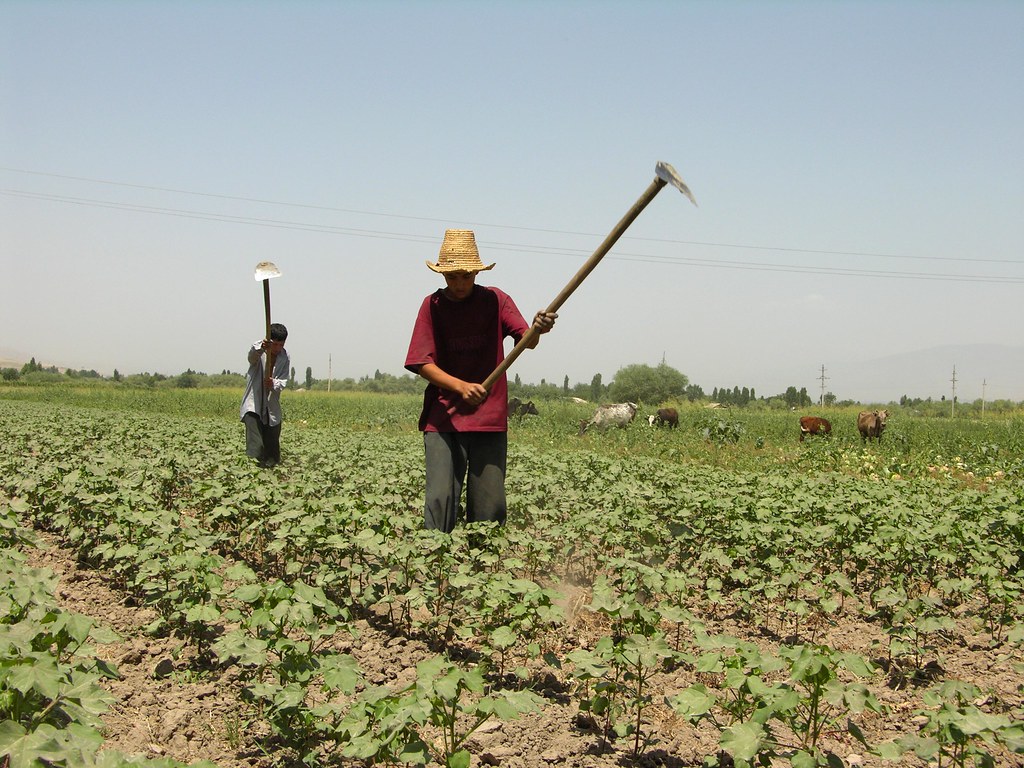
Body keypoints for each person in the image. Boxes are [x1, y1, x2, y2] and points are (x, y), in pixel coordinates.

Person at [405, 229, 556, 532]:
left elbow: (526, 341)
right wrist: (461, 386)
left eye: (466, 276)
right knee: (440, 500)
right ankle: (437, 568)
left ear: (476, 272)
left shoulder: (495, 300)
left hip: (488, 420)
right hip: (444, 419)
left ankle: (482, 573)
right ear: (443, 274)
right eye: (452, 277)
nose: (459, 285)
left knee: (489, 507)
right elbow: (421, 363)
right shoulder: (432, 306)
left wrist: (538, 329)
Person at [239, 322, 290, 468]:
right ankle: (252, 472)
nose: (278, 348)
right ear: (269, 340)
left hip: (271, 406)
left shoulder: (284, 357)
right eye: (275, 345)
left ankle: (271, 475)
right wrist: (262, 347)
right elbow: (251, 357)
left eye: (281, 345)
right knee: (255, 445)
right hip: (253, 404)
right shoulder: (259, 349)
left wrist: (273, 383)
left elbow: (283, 381)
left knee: (272, 450)